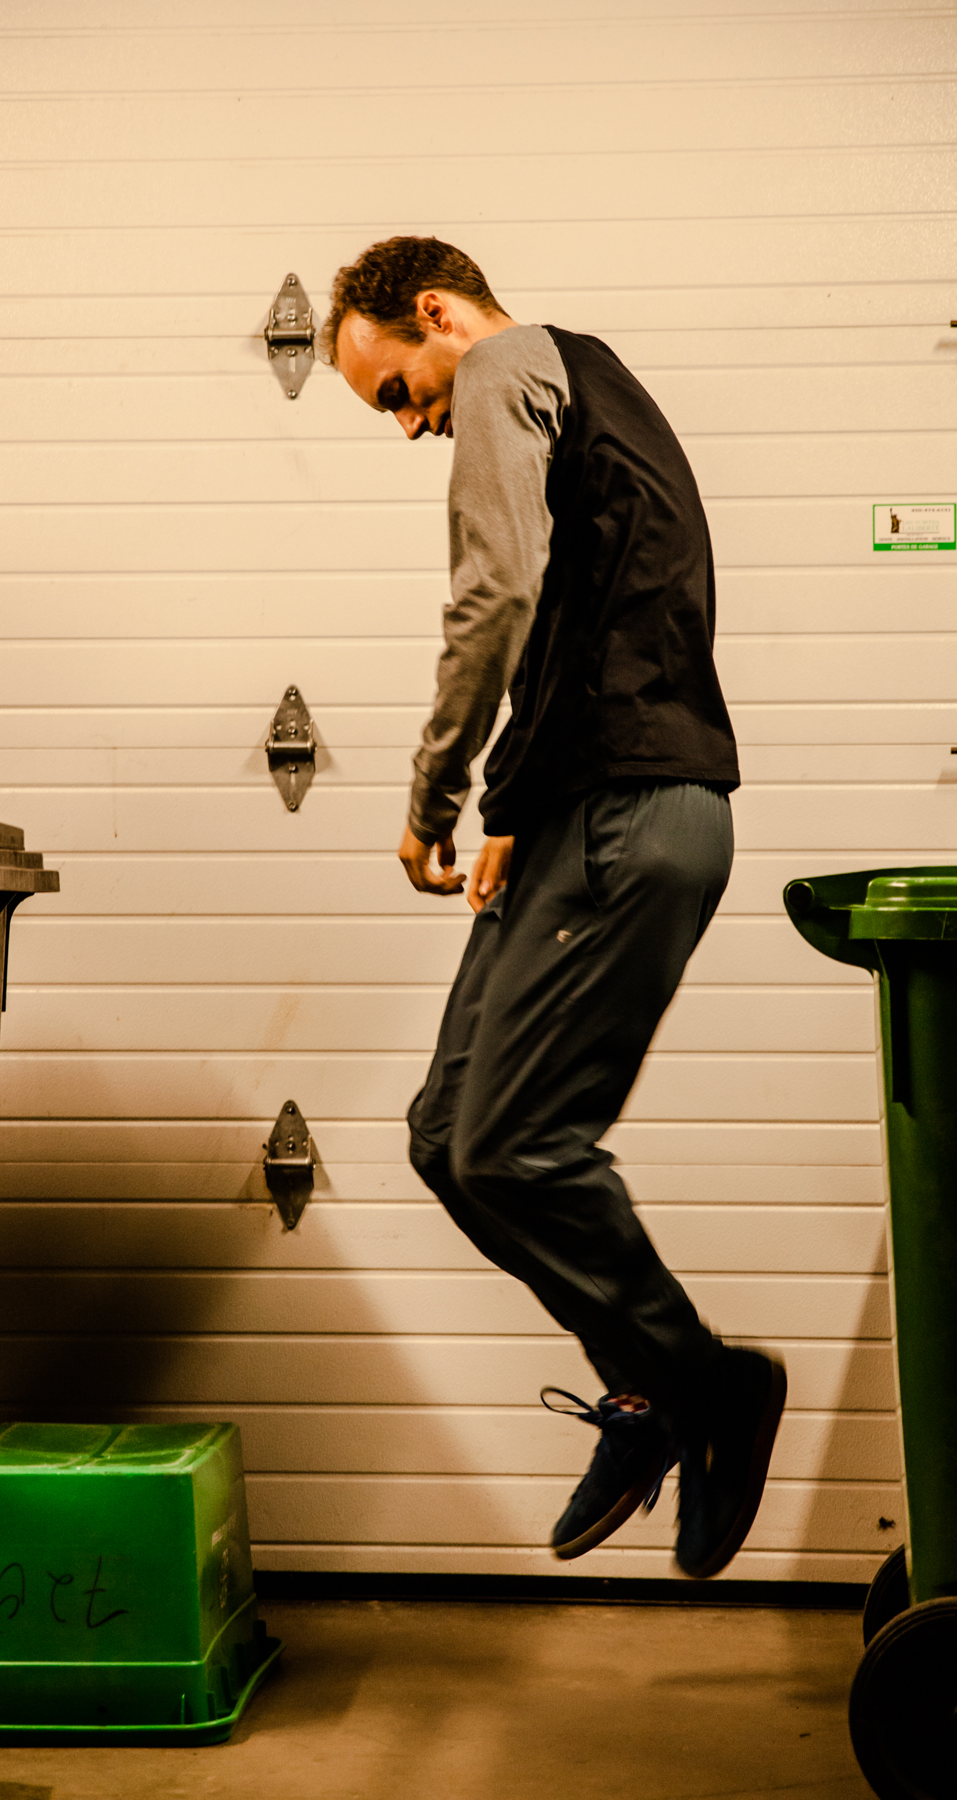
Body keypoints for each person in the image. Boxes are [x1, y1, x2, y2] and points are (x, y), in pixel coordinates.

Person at [323, 236, 785, 1578]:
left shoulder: (512, 365)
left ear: (437, 315)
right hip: (580, 814)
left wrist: (434, 796)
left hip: (634, 817)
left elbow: (499, 595)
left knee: (515, 1144)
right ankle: (651, 1387)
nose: (414, 425)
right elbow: (589, 616)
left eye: (399, 391)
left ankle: (703, 1386)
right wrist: (518, 808)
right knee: (442, 1136)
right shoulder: (585, 388)